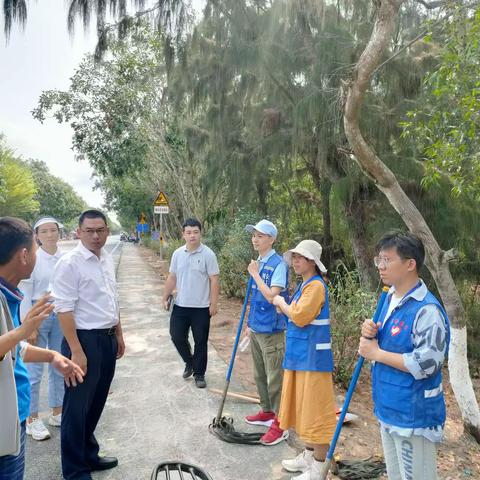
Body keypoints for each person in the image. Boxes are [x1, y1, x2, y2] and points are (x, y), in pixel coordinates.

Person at [358, 232, 449, 480]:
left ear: (410, 264)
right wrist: (371, 331)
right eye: (379, 259)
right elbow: (392, 340)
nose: (381, 266)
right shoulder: (389, 298)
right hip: (389, 406)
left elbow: (428, 363)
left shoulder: (427, 310)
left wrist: (376, 352)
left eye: (387, 260)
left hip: (413, 414)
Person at [0, 216, 84, 480]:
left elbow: (13, 350)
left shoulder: (9, 292)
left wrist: (52, 355)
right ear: (24, 255)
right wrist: (23, 330)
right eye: (34, 248)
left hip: (13, 414)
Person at [51, 209, 126, 480]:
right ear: (79, 232)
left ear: (107, 231)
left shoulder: (105, 258)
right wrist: (76, 350)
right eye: (90, 231)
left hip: (106, 338)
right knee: (76, 408)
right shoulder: (70, 263)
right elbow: (64, 309)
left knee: (96, 402)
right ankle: (75, 470)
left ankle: (89, 455)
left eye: (100, 230)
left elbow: (112, 300)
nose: (96, 236)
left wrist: (119, 334)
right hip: (83, 341)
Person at [273, 240, 337, 479]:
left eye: (300, 257)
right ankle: (309, 456)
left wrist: (281, 302)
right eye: (294, 257)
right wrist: (286, 306)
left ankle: (319, 467)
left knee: (316, 414)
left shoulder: (316, 286)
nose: (295, 261)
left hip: (313, 359)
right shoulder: (305, 285)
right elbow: (296, 313)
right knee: (304, 409)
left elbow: (299, 316)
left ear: (312, 262)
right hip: (300, 357)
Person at [243, 219, 289, 446]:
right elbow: (256, 297)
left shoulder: (278, 264)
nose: (255, 239)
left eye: (260, 235)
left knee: (275, 378)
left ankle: (281, 424)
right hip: (257, 327)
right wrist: (249, 324)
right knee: (259, 374)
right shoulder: (258, 262)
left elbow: (272, 297)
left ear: (271, 239)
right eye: (253, 235)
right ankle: (267, 411)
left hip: (272, 330)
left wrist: (255, 274)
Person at [19, 217, 65, 441]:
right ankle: (32, 419)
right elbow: (25, 294)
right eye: (44, 231)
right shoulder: (34, 259)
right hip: (38, 313)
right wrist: (29, 324)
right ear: (37, 235)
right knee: (34, 371)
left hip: (61, 314)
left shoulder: (64, 258)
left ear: (59, 232)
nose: (49, 234)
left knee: (60, 364)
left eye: (53, 230)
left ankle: (57, 412)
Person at [162, 218, 219, 389]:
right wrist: (165, 296)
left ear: (201, 233)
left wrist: (213, 303)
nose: (192, 235)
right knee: (177, 336)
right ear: (183, 235)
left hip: (201, 308)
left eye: (195, 232)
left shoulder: (208, 254)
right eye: (188, 232)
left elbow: (214, 280)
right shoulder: (178, 254)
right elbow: (172, 276)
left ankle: (199, 374)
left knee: (201, 341)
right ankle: (190, 362)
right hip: (180, 305)